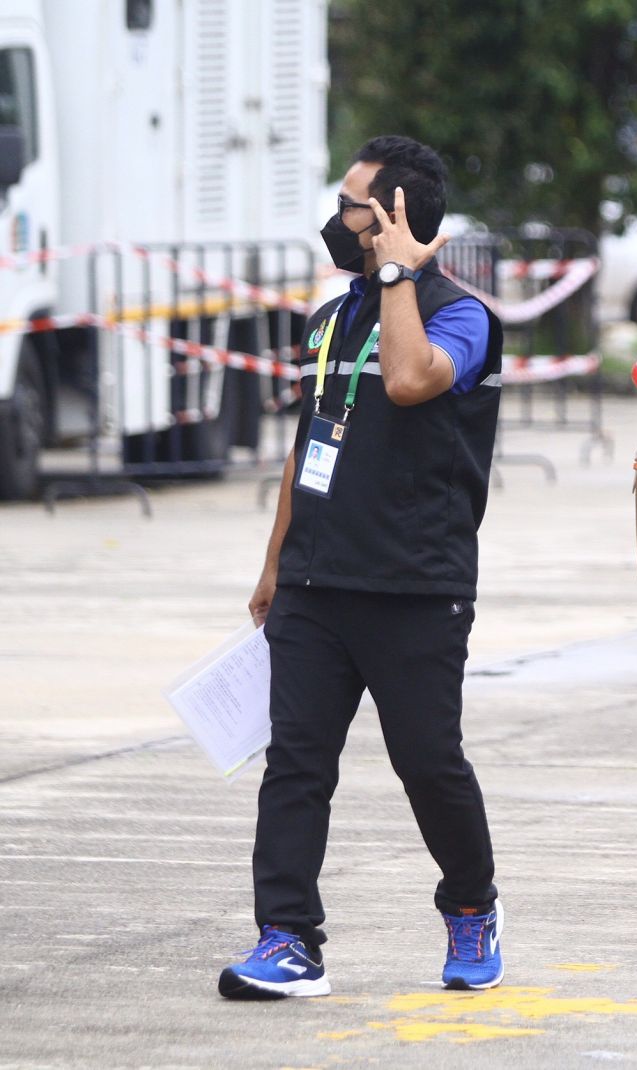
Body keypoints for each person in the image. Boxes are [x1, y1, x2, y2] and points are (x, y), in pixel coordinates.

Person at [219, 136, 506, 999]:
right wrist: (275, 562)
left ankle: (471, 905)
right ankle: (288, 938)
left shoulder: (465, 315)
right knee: (297, 765)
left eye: (352, 206)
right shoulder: (328, 318)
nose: (335, 220)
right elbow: (311, 443)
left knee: (427, 762)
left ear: (394, 218)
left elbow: (414, 381)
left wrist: (396, 279)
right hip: (315, 578)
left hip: (417, 584)